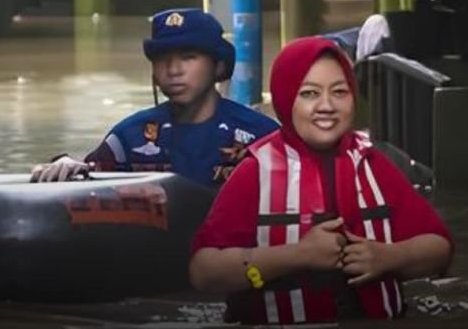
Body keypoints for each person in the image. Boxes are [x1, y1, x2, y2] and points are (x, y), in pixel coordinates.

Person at [188, 36, 452, 323]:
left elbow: (438, 248)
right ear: (286, 98)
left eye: (339, 92)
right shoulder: (254, 173)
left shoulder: (374, 165)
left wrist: (389, 257)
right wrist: (298, 255)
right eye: (309, 94)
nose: (326, 105)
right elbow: (204, 272)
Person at [30, 8, 280, 187]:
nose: (173, 70)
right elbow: (90, 178)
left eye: (188, 57)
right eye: (162, 59)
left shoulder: (262, 136)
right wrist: (64, 164)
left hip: (240, 260)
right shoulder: (130, 135)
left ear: (218, 67)